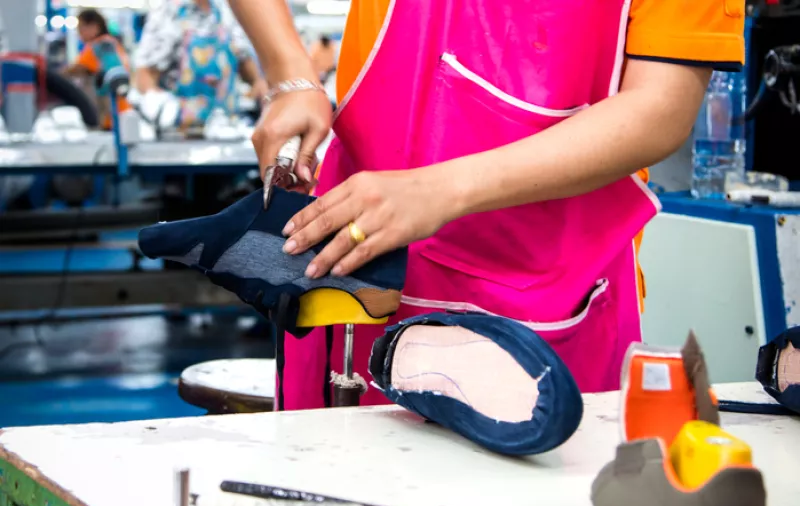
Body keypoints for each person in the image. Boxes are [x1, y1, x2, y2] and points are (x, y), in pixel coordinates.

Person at [228, 0, 746, 410]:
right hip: (354, 287)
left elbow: (661, 108)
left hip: (547, 306)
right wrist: (290, 74)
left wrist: (437, 190)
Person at [133, 0, 267, 128]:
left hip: (227, 128)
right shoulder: (168, 11)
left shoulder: (224, 10)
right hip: (182, 135)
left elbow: (242, 57)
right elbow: (145, 75)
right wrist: (158, 106)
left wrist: (258, 82)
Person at [63, 9, 131, 130]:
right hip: (119, 112)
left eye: (81, 28)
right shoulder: (110, 42)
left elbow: (78, 68)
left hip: (109, 113)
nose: (79, 34)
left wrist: (55, 75)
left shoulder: (99, 45)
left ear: (94, 26)